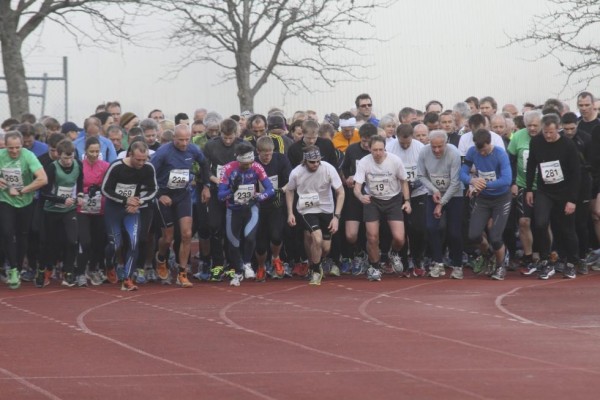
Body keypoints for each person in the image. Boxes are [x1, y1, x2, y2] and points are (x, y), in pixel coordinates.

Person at [151, 124, 211, 288]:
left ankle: (182, 272)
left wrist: (206, 186)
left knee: (186, 234)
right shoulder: (163, 153)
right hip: (165, 195)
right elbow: (149, 174)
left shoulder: (194, 149)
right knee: (168, 237)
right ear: (173, 138)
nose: (184, 144)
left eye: (187, 139)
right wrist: (159, 195)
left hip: (182, 195)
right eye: (180, 140)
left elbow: (204, 164)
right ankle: (161, 258)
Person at [525, 113, 580, 279]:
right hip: (544, 190)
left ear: (558, 129)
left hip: (565, 192)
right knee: (540, 223)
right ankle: (546, 260)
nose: (548, 135)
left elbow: (576, 174)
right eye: (545, 132)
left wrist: (572, 200)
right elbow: (531, 165)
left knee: (566, 228)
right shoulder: (536, 142)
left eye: (551, 132)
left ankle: (571, 262)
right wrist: (529, 189)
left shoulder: (568, 145)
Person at [101, 141, 158, 291]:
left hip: (133, 209)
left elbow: (153, 189)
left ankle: (128, 278)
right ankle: (108, 263)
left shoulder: (148, 168)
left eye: (144, 159)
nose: (141, 163)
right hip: (114, 208)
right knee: (116, 243)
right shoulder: (116, 166)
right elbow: (105, 189)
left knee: (134, 242)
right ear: (130, 155)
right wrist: (125, 200)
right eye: (138, 159)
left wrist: (138, 202)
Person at [353, 135, 411, 281]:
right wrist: (360, 197)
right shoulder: (364, 162)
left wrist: (407, 201)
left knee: (399, 238)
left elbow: (404, 181)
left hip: (393, 199)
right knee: (372, 236)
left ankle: (393, 253)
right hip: (373, 200)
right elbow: (357, 187)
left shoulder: (395, 160)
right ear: (369, 149)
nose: (378, 153)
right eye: (374, 150)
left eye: (381, 150)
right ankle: (374, 266)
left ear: (385, 148)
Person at [285, 145, 344, 285]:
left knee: (325, 247)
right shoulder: (296, 172)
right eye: (312, 162)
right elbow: (289, 190)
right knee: (316, 238)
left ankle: (315, 263)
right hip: (307, 209)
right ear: (305, 161)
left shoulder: (328, 168)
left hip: (326, 209)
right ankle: (316, 271)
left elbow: (341, 192)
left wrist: (336, 217)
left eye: (318, 161)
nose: (316, 164)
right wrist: (290, 213)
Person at [218, 142, 275, 286]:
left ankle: (247, 264)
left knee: (250, 238)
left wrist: (259, 197)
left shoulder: (257, 166)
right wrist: (232, 190)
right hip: (233, 209)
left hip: (251, 208)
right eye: (244, 164)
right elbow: (220, 195)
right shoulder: (228, 169)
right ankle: (238, 271)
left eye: (250, 163)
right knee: (234, 242)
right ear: (238, 160)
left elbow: (270, 189)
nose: (248, 166)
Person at [460, 128, 512, 280]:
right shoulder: (472, 152)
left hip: (501, 198)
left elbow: (506, 180)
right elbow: (462, 173)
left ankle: (501, 265)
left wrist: (484, 185)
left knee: (495, 237)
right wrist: (472, 180)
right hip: (483, 199)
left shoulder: (500, 154)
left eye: (485, 150)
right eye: (479, 150)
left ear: (491, 143)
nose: (482, 153)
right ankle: (489, 255)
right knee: (473, 235)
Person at [0, 131, 48, 289]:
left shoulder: (28, 156)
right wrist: (5, 185)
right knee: (7, 232)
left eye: (17, 148)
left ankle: (19, 268)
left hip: (25, 201)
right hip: (5, 200)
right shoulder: (1, 155)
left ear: (22, 145)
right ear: (5, 146)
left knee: (22, 235)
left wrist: (23, 190)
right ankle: (12, 268)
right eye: (10, 148)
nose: (14, 151)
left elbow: (43, 179)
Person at [417, 130, 464, 279]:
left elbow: (456, 182)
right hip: (434, 193)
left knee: (454, 232)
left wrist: (442, 203)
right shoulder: (424, 152)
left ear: (446, 143)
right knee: (431, 227)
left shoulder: (453, 153)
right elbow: (421, 175)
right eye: (434, 147)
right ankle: (438, 262)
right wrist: (434, 189)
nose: (437, 150)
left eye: (440, 146)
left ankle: (458, 265)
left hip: (454, 194)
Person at [39, 139, 84, 287]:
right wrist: (61, 199)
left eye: (71, 157)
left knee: (72, 240)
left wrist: (81, 196)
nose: (68, 161)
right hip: (51, 210)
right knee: (51, 243)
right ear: (58, 155)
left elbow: (80, 184)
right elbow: (44, 193)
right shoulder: (52, 168)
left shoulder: (78, 164)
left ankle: (68, 271)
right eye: (65, 158)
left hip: (69, 210)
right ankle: (48, 269)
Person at [387, 124, 428, 277]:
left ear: (413, 137)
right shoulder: (390, 147)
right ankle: (403, 261)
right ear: (396, 137)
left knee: (419, 228)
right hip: (397, 194)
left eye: (407, 142)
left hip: (418, 193)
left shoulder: (420, 148)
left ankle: (418, 259)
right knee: (401, 230)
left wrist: (417, 181)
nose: (405, 145)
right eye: (401, 143)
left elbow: (428, 169)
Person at [508, 110, 542, 273]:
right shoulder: (518, 137)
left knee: (543, 222)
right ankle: (528, 256)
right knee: (524, 221)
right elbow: (511, 160)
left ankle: (543, 254)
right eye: (529, 126)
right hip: (523, 184)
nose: (533, 129)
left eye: (536, 125)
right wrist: (513, 182)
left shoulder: (547, 136)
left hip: (544, 187)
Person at [254, 136, 292, 281]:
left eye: (270, 153)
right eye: (264, 153)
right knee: (261, 244)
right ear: (258, 151)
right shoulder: (253, 163)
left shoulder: (281, 159)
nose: (267, 156)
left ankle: (276, 258)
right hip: (258, 206)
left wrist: (280, 191)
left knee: (276, 236)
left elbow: (291, 181)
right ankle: (261, 266)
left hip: (276, 203)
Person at [74, 137, 110, 287]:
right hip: (81, 209)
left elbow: (109, 185)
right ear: (85, 151)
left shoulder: (106, 166)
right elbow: (75, 185)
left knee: (98, 242)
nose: (94, 154)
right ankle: (80, 272)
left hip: (99, 209)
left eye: (97, 151)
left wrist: (100, 190)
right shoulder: (79, 166)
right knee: (85, 241)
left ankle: (93, 268)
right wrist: (86, 191)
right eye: (91, 151)